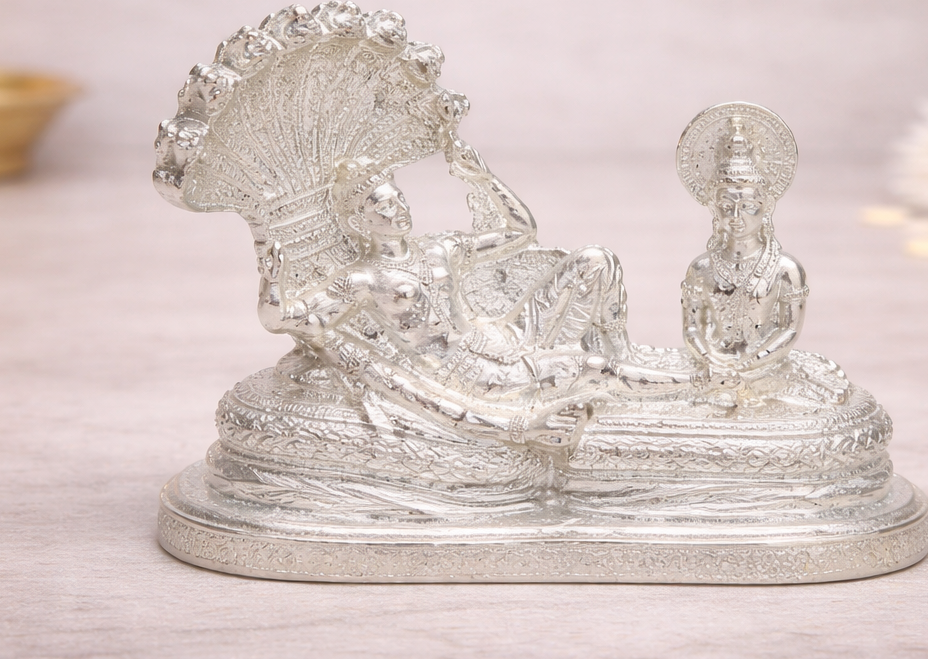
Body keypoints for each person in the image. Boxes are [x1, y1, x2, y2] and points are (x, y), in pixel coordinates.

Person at [257, 134, 685, 447]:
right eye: (382, 206)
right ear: (358, 222)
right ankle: (695, 387)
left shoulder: (439, 248)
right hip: (468, 373)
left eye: (398, 198)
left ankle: (626, 355)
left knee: (594, 260)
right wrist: (271, 279)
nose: (398, 209)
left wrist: (483, 178)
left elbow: (519, 231)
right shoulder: (362, 280)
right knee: (593, 368)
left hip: (503, 337)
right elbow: (283, 320)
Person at [681, 119, 809, 405]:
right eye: (727, 207)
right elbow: (692, 329)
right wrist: (712, 360)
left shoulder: (785, 269)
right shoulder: (702, 269)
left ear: (766, 207)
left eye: (748, 206)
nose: (736, 217)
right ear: (715, 209)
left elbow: (788, 330)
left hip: (766, 368)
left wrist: (749, 363)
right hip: (713, 368)